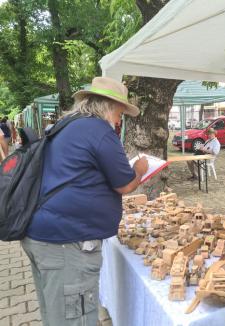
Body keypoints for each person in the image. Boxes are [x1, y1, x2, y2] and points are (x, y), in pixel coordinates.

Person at [20, 76, 149, 326]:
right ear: (109, 107)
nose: (119, 120)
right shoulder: (99, 131)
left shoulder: (66, 125)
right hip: (67, 242)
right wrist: (141, 170)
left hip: (44, 234)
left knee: (55, 314)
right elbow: (124, 185)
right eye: (120, 113)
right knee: (74, 317)